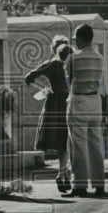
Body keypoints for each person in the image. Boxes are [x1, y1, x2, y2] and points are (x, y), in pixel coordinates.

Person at [24, 35, 72, 193]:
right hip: (66, 101)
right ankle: (63, 173)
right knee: (65, 139)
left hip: (54, 103)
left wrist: (43, 89)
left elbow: (29, 77)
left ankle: (63, 173)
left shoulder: (50, 64)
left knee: (61, 140)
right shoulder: (66, 62)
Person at [64, 23, 106, 198]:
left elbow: (69, 82)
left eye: (76, 39)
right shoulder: (99, 57)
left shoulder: (73, 58)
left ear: (80, 39)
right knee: (96, 144)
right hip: (95, 101)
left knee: (77, 145)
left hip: (79, 100)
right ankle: (99, 184)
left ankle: (80, 185)